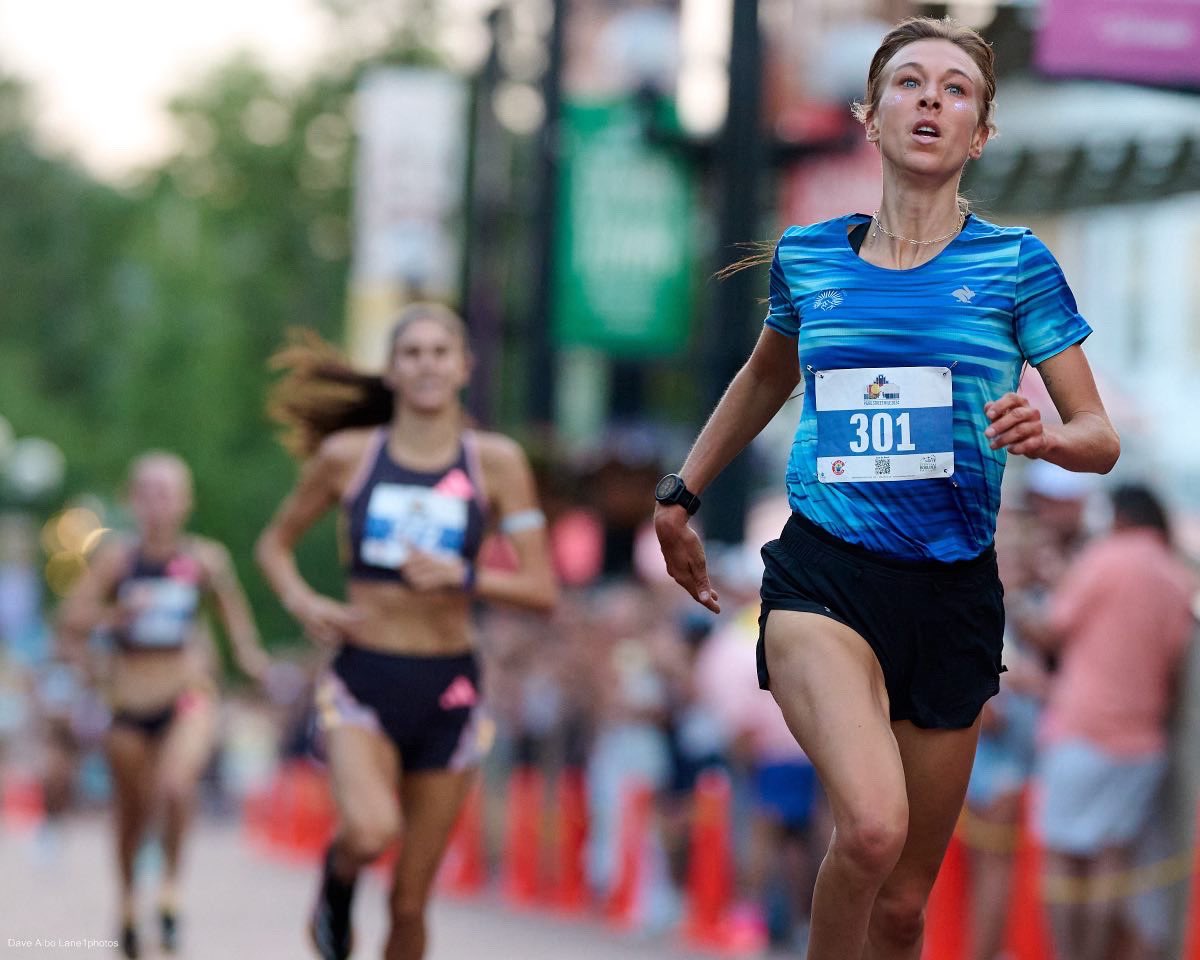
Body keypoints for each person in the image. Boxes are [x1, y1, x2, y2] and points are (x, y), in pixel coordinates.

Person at [653, 16, 1120, 959]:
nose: (931, 101)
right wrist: (681, 491)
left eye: (956, 90)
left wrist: (1051, 438)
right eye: (910, 83)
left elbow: (1098, 435)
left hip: (952, 590)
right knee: (870, 827)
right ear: (870, 116)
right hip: (824, 574)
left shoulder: (1015, 264)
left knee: (904, 905)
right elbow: (763, 378)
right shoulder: (811, 257)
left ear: (980, 134)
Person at [255, 303, 557, 960]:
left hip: (449, 689)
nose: (426, 364)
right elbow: (273, 545)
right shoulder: (348, 457)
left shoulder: (497, 463)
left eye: (439, 352)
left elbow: (542, 590)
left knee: (410, 903)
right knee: (368, 831)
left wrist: (463, 575)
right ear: (391, 372)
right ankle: (336, 885)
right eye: (411, 353)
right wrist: (302, 598)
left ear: (464, 368)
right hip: (364, 676)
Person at [56, 451, 270, 958]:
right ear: (133, 499)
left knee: (176, 786)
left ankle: (171, 892)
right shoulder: (118, 561)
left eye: (168, 493)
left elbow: (234, 616)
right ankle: (129, 902)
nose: (158, 504)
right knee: (131, 812)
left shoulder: (204, 560)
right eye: (148, 493)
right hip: (129, 697)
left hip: (186, 690)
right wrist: (113, 617)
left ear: (186, 501)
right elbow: (72, 617)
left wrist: (250, 658)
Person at [1026, 484, 1196, 960]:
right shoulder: (1176, 576)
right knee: (1111, 861)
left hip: (1081, 730)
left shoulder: (1105, 559)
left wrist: (1016, 609)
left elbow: (1052, 629)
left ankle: (1069, 954)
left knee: (1062, 857)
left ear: (1121, 516)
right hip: (1143, 742)